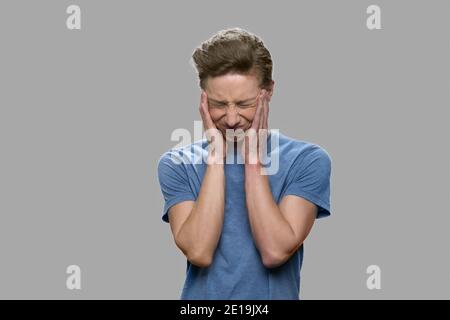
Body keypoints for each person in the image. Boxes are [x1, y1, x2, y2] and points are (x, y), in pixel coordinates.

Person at [157, 27, 332, 300]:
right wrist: (216, 156)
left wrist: (252, 160)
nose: (231, 118)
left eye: (244, 103)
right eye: (218, 103)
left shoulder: (307, 160)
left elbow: (274, 251)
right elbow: (200, 251)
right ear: (203, 98)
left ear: (269, 92)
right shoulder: (177, 163)